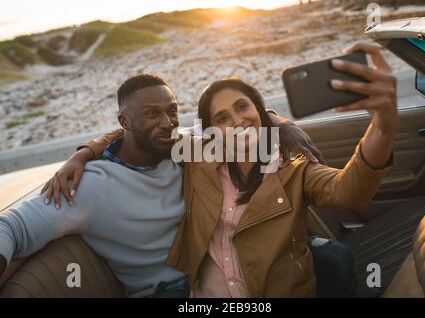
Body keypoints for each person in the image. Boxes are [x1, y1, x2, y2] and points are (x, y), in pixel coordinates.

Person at [47, 43, 398, 297]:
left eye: (243, 107)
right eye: (221, 117)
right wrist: (84, 153)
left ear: (260, 112)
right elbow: (141, 132)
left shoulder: (292, 166)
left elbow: (349, 189)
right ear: (211, 130)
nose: (237, 121)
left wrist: (383, 124)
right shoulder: (195, 157)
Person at [0, 74, 319, 297]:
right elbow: (13, 227)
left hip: (225, 268)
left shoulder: (182, 152)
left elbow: (234, 122)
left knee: (333, 261)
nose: (166, 123)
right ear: (124, 122)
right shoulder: (92, 186)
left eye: (172, 112)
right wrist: (84, 156)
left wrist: (279, 124)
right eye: (152, 114)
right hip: (170, 290)